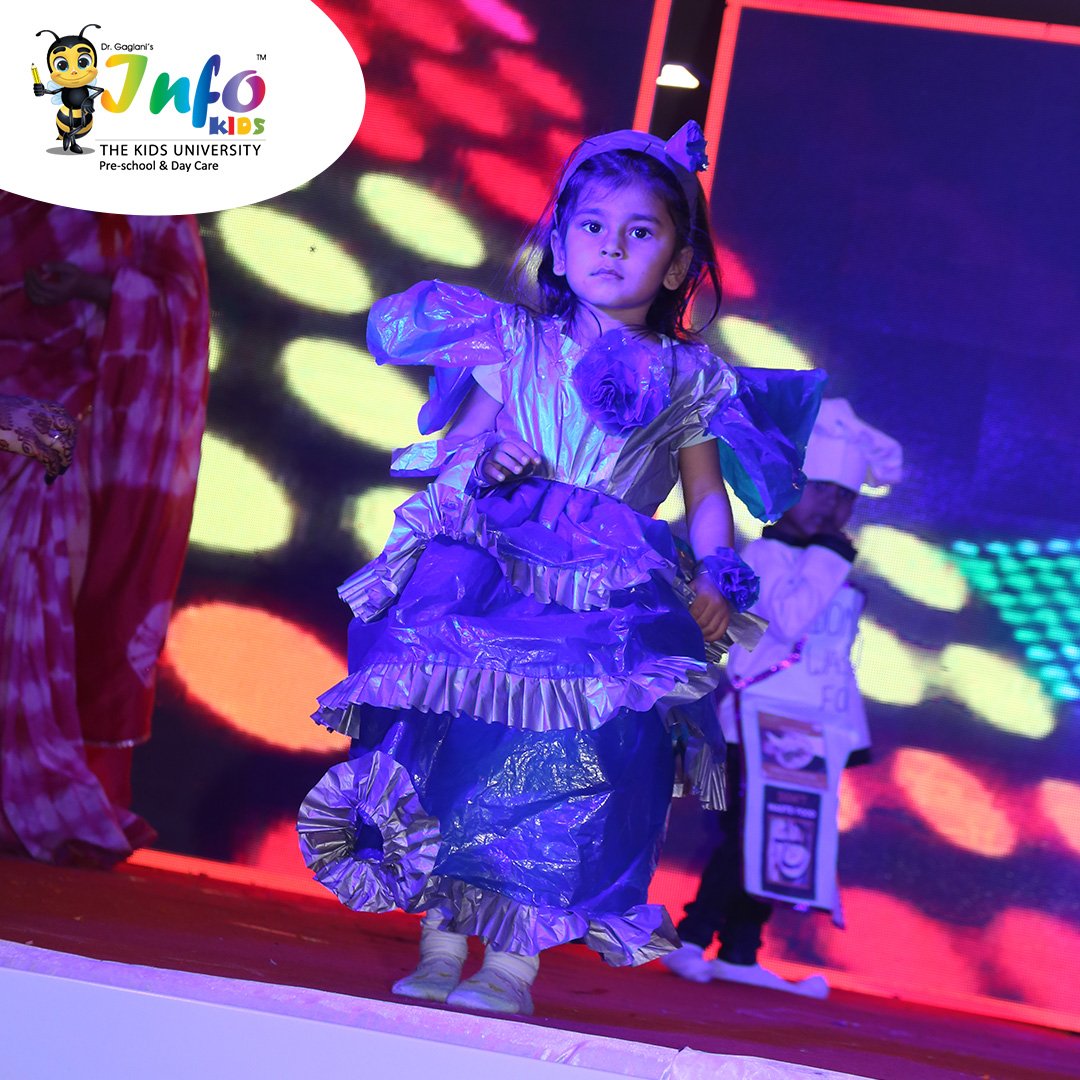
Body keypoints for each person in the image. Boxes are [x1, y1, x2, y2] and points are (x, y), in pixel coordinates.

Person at [297, 122, 824, 1015]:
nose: (612, 247)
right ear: (559, 240)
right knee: (455, 743)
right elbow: (454, 451)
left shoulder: (690, 377)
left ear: (676, 265)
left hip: (608, 591)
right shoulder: (513, 341)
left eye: (640, 232)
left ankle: (511, 963)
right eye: (593, 226)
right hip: (493, 571)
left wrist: (717, 569)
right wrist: (483, 460)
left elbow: (705, 496)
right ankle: (440, 941)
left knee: (567, 760)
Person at [663, 398, 902, 997]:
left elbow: (833, 658)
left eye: (844, 496)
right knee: (748, 835)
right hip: (759, 721)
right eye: (821, 490)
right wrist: (830, 557)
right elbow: (791, 620)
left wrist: (849, 733)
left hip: (814, 727)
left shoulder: (829, 563)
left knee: (786, 838)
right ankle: (692, 938)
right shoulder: (764, 556)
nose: (832, 506)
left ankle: (741, 951)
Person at [0, 194, 210, 867]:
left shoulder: (144, 187)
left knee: (31, 556)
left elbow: (179, 306)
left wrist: (94, 287)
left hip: (63, 410)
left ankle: (24, 785)